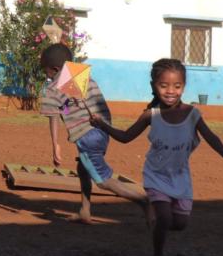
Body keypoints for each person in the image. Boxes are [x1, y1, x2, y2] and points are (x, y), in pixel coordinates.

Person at [90, 58, 223, 256]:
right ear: (154, 86)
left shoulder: (192, 114)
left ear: (183, 87)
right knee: (165, 217)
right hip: (156, 175)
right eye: (164, 85)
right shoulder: (150, 115)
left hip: (180, 177)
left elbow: (211, 136)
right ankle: (158, 254)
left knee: (179, 224)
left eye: (177, 86)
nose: (170, 91)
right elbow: (126, 137)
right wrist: (102, 124)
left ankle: (155, 222)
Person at [39, 43, 150, 225]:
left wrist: (55, 146)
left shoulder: (53, 89)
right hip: (102, 131)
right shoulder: (82, 76)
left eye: (46, 71)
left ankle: (144, 201)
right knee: (83, 168)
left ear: (55, 69)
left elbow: (54, 117)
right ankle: (85, 211)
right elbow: (73, 106)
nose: (45, 75)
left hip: (87, 137)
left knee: (102, 180)